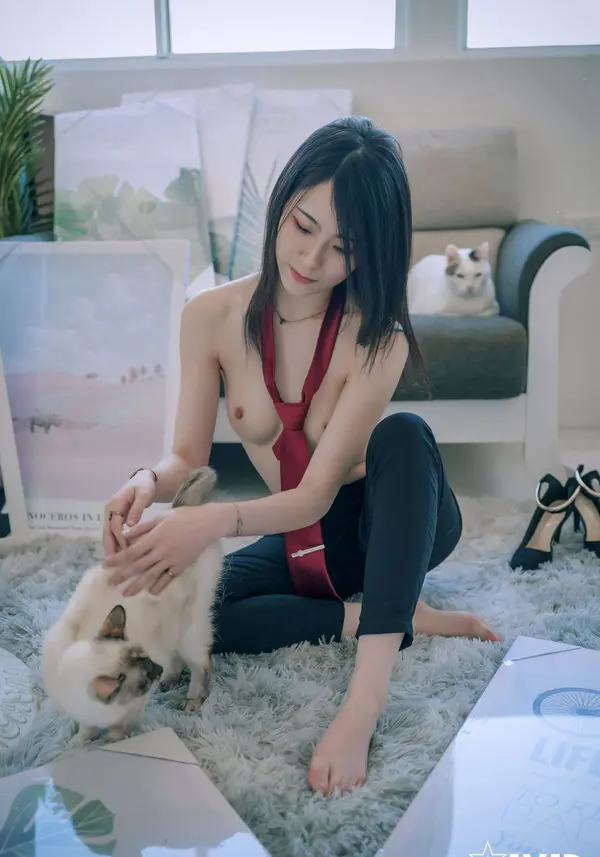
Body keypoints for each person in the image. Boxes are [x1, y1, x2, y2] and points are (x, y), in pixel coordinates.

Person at [102, 115, 501, 796]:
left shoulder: (377, 337)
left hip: (394, 518)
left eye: (342, 247)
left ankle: (366, 695)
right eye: (302, 226)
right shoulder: (209, 316)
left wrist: (210, 520)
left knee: (404, 434)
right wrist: (144, 482)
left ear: (369, 254)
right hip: (307, 535)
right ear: (281, 203)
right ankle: (388, 615)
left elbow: (317, 493)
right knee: (193, 615)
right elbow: (187, 455)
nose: (312, 260)